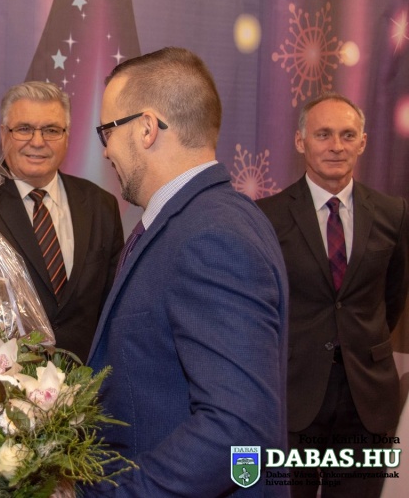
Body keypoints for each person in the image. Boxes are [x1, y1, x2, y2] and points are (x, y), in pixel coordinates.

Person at [86, 47, 289, 496]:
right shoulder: (195, 220)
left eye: (107, 130)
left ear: (146, 128)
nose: (105, 150)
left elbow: (237, 432)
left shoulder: (211, 235)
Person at [256, 92, 409, 498]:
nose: (336, 146)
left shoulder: (393, 213)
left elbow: (393, 297)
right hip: (293, 395)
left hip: (368, 399)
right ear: (300, 141)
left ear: (363, 142)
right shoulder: (267, 216)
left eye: (347, 135)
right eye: (323, 134)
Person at [0, 81, 124, 361]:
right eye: (24, 129)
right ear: (4, 134)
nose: (37, 142)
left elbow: (113, 308)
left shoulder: (102, 205)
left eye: (51, 130)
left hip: (84, 381)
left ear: (67, 136)